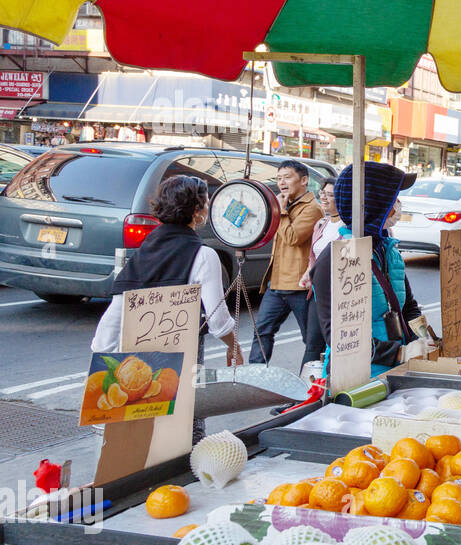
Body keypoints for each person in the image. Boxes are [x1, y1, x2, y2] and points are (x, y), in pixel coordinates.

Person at [91, 176, 242, 441]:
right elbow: (218, 321)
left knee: (140, 443)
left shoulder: (144, 251)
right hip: (178, 365)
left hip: (132, 366)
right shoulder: (203, 255)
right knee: (185, 434)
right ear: (197, 210)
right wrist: (234, 346)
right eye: (205, 202)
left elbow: (112, 322)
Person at [310, 163, 436, 378]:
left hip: (398, 372)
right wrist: (398, 353)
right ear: (373, 204)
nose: (398, 205)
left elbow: (408, 308)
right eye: (393, 198)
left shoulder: (389, 251)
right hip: (355, 377)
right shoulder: (336, 259)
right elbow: (339, 336)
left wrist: (423, 339)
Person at [249, 160, 322, 366]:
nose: (281, 182)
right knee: (262, 331)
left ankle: (314, 380)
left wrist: (281, 212)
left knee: (311, 339)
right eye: (279, 178)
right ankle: (255, 376)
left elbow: (292, 237)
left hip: (299, 286)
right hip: (276, 283)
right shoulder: (283, 205)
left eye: (287, 177)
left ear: (304, 180)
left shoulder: (312, 209)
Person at [300, 177, 341, 371]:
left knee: (335, 344)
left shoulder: (351, 228)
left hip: (339, 296)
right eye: (323, 193)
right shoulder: (321, 224)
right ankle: (306, 389)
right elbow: (313, 258)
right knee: (312, 344)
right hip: (317, 295)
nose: (324, 198)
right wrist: (308, 273)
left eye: (330, 195)